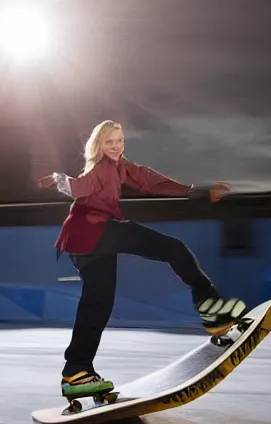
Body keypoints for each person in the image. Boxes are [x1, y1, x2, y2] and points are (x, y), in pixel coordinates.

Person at [37, 120, 247, 399]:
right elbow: (79, 188)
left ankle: (76, 372)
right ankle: (210, 306)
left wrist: (194, 191)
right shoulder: (100, 168)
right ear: (99, 145)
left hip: (82, 242)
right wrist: (60, 180)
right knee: (172, 248)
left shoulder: (121, 166)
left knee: (97, 304)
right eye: (109, 142)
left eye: (119, 141)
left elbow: (150, 181)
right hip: (95, 231)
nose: (115, 146)